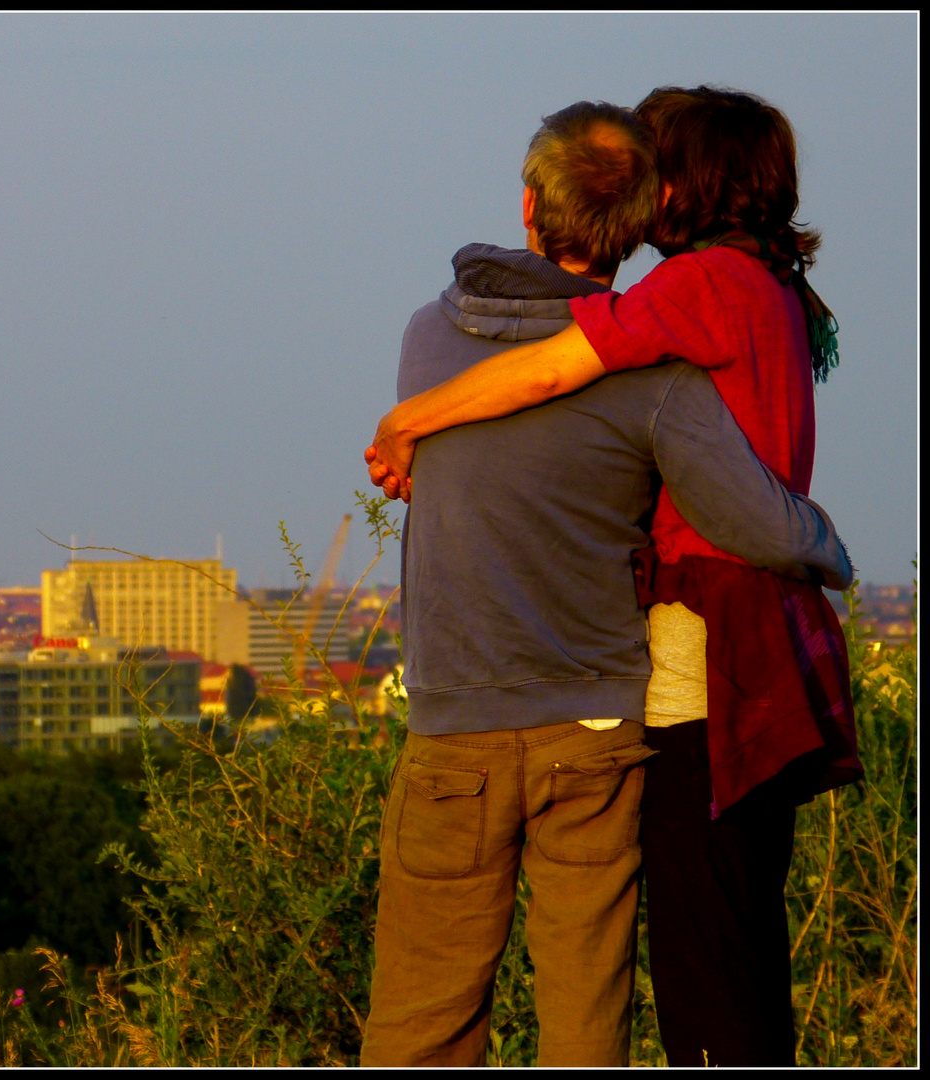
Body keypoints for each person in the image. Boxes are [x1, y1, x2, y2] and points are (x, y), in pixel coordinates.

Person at [364, 87, 861, 1067]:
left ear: (525, 202)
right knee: (608, 1004)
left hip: (534, 695)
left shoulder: (437, 336)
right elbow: (742, 500)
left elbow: (545, 375)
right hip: (628, 708)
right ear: (636, 219)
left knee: (433, 1009)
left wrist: (412, 421)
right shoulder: (715, 326)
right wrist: (827, 552)